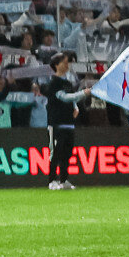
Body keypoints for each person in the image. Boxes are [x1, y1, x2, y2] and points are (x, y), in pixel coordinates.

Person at [42, 55, 85, 189]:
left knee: (67, 153)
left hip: (68, 123)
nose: (67, 65)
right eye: (64, 62)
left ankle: (64, 180)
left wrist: (75, 107)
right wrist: (84, 93)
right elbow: (64, 97)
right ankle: (52, 181)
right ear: (56, 65)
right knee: (55, 153)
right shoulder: (53, 83)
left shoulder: (68, 83)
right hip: (56, 123)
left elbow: (71, 100)